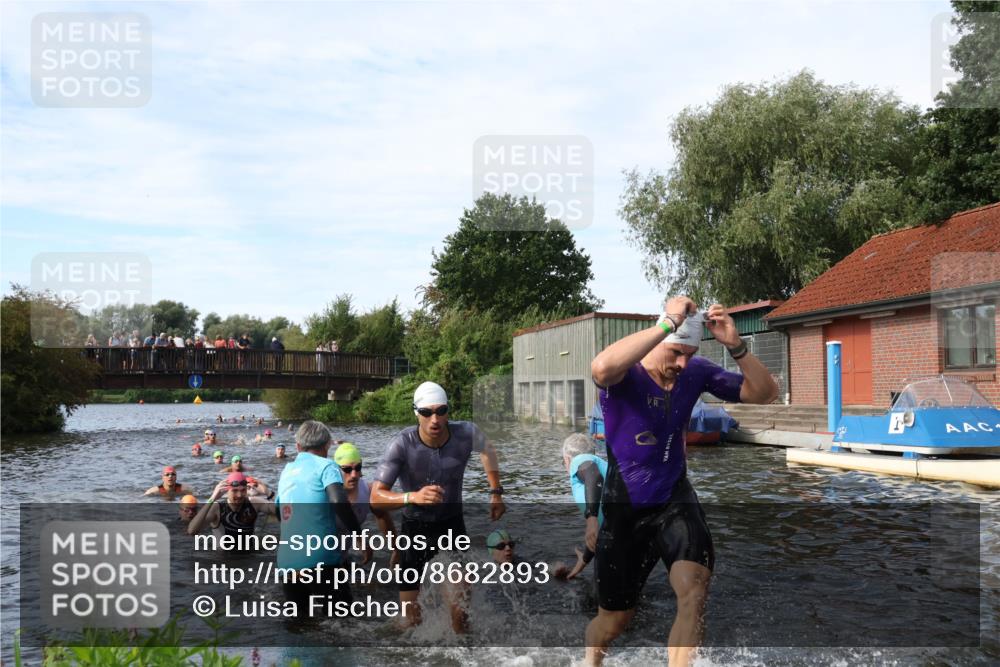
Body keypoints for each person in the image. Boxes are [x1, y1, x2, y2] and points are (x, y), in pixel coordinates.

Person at [584, 297, 779, 667]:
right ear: (658, 338)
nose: (682, 364)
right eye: (676, 353)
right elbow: (601, 366)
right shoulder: (625, 376)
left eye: (690, 355)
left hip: (674, 498)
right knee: (613, 622)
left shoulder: (696, 372)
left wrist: (736, 346)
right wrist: (668, 323)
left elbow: (765, 394)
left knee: (694, 592)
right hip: (625, 508)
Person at [370, 381, 506, 632]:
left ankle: (460, 653)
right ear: (416, 413)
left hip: (452, 526)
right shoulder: (401, 444)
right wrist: (412, 497)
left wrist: (495, 492)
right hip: (414, 530)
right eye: (427, 412)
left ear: (448, 411)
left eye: (441, 411)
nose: (435, 419)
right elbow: (376, 497)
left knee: (460, 612)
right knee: (410, 622)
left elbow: (488, 449)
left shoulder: (465, 433)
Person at [275, 421, 363, 619]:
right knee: (344, 622)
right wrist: (359, 536)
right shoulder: (327, 465)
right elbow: (337, 499)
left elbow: (280, 511)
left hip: (287, 562)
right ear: (327, 446)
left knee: (299, 623)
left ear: (297, 447)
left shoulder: (286, 471)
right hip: (321, 558)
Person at [332, 442, 398, 565]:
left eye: (358, 468)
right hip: (320, 559)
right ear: (336, 469)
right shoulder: (325, 494)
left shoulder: (367, 490)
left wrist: (396, 549)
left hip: (343, 556)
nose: (354, 475)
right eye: (347, 469)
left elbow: (382, 515)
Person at [559, 433, 607, 580]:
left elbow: (593, 474)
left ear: (567, 459)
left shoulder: (580, 460)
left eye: (564, 462)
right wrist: (583, 561)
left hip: (618, 537)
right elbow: (599, 529)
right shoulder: (603, 465)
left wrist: (591, 518)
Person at [188, 472, 274, 545]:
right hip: (224, 558)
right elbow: (192, 531)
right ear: (226, 490)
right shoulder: (217, 508)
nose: (239, 495)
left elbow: (282, 511)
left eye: (243, 490)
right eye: (235, 491)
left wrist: (268, 493)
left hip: (250, 556)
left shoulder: (254, 503)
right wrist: (212, 499)